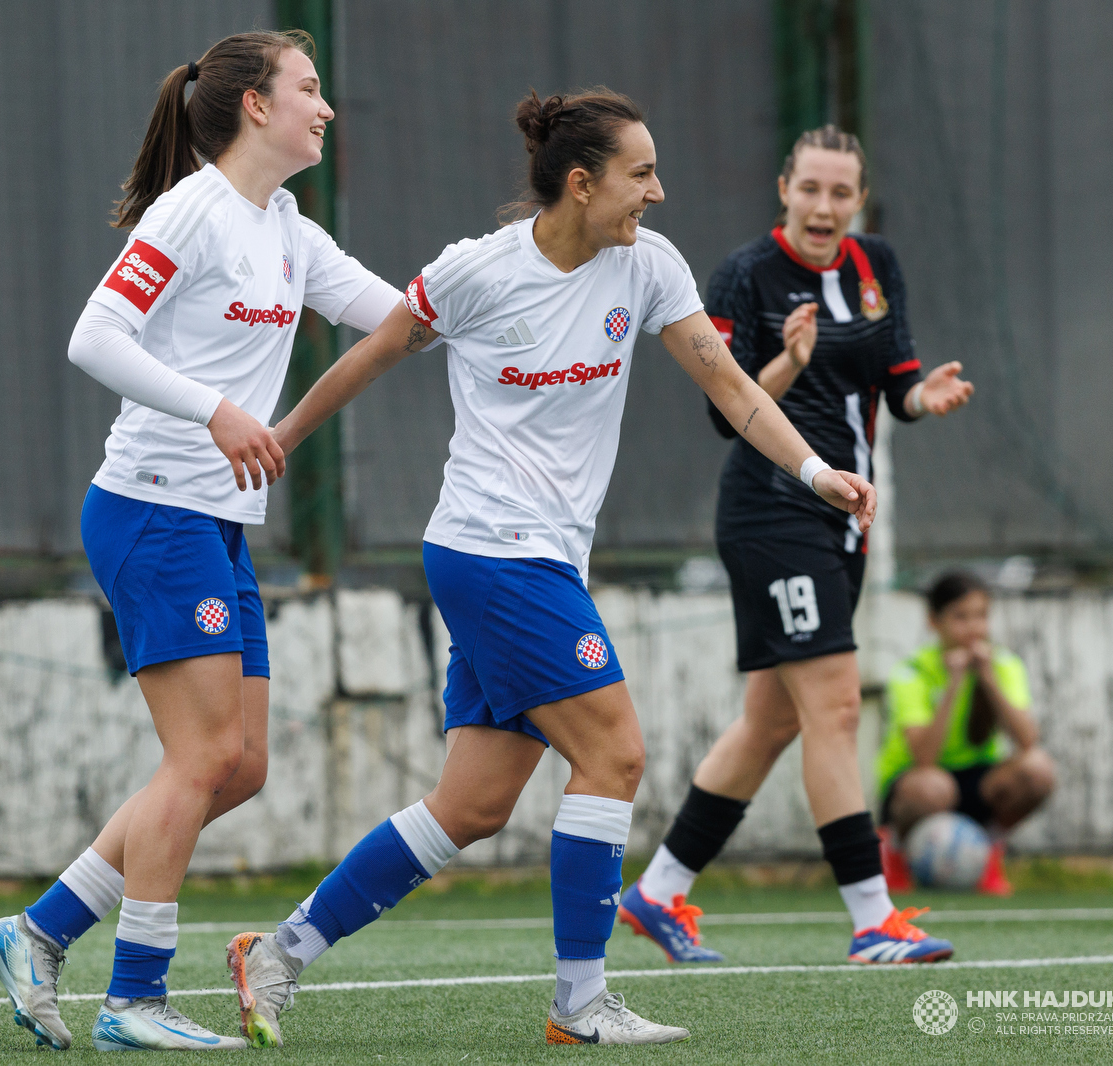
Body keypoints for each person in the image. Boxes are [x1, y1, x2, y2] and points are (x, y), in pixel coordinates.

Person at [222, 90, 876, 1048]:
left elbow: (733, 388)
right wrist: (277, 435)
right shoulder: (476, 274)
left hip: (540, 562)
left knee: (473, 805)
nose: (659, 191)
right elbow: (370, 358)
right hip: (491, 552)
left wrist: (818, 472)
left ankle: (276, 954)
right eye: (640, 174)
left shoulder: (648, 266)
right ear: (582, 183)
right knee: (614, 754)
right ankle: (580, 1001)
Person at [0, 31, 413, 1051]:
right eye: (309, 89)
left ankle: (40, 932)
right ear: (255, 107)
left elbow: (392, 318)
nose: (327, 108)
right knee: (200, 754)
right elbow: (95, 337)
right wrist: (216, 409)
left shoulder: (290, 226)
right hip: (151, 505)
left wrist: (520, 282)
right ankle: (134, 995)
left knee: (241, 763)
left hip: (215, 520)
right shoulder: (192, 209)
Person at [621, 125, 975, 967]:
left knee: (772, 721)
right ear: (785, 188)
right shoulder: (745, 274)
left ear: (859, 200)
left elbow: (896, 387)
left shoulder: (874, 265)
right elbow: (724, 410)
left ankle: (658, 893)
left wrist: (923, 397)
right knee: (837, 705)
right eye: (810, 189)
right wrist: (785, 361)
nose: (824, 207)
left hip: (843, 515)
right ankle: (871, 919)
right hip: (772, 510)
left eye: (840, 193)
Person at [876, 570, 1056, 896]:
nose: (974, 628)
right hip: (918, 787)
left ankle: (987, 853)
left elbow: (1028, 741)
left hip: (975, 781)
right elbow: (925, 758)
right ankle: (895, 856)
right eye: (961, 617)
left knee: (1038, 769)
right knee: (932, 785)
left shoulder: (1003, 665)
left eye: (981, 616)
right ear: (934, 621)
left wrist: (987, 679)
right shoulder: (911, 672)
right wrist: (955, 683)